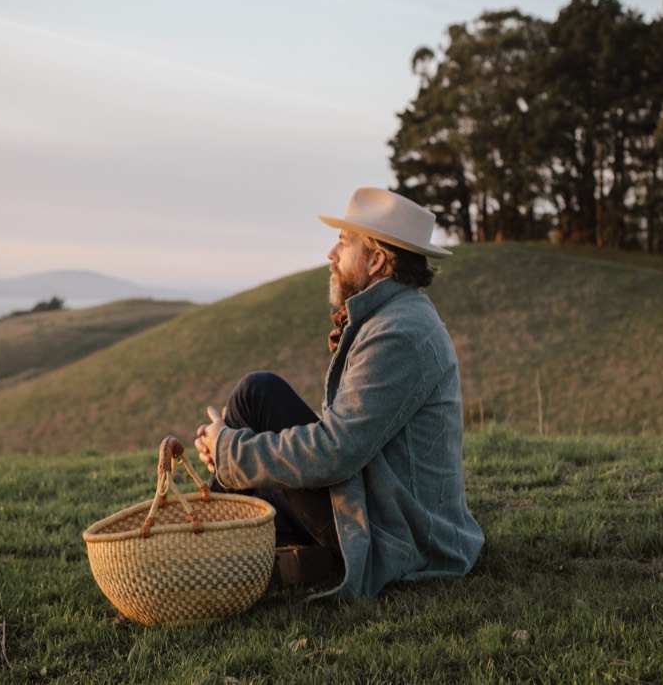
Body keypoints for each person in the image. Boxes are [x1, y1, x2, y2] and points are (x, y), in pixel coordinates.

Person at [194, 187, 484, 601]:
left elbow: (336, 450)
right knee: (259, 488)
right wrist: (232, 451)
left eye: (344, 243)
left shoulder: (397, 333)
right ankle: (243, 550)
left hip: (400, 532)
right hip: (379, 504)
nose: (331, 254)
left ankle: (204, 554)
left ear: (377, 261)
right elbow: (348, 431)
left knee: (257, 394)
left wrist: (233, 452)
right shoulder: (395, 317)